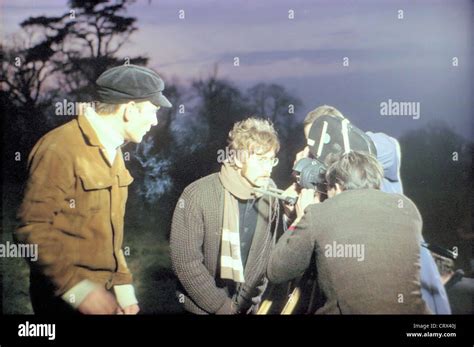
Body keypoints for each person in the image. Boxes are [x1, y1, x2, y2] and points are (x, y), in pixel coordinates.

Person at [15, 64, 172, 314]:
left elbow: (109, 235)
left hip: (104, 295)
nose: (154, 122)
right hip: (66, 300)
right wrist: (79, 291)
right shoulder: (59, 148)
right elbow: (31, 229)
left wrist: (123, 287)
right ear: (129, 110)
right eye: (152, 112)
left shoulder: (114, 149)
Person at [284, 105, 451, 314]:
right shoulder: (328, 177)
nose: (318, 151)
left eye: (321, 139)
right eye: (311, 145)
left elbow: (384, 149)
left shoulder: (373, 147)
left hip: (401, 268)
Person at [268, 151, 431, 314]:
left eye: (328, 187)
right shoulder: (407, 208)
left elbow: (276, 271)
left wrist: (300, 217)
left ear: (337, 186)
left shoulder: (318, 214)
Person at [170, 117, 280, 314]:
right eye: (261, 159)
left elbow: (265, 258)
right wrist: (222, 306)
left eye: (271, 159)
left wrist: (244, 303)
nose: (268, 168)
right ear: (237, 158)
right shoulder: (197, 194)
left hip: (247, 308)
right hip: (201, 309)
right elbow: (185, 262)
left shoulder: (270, 195)